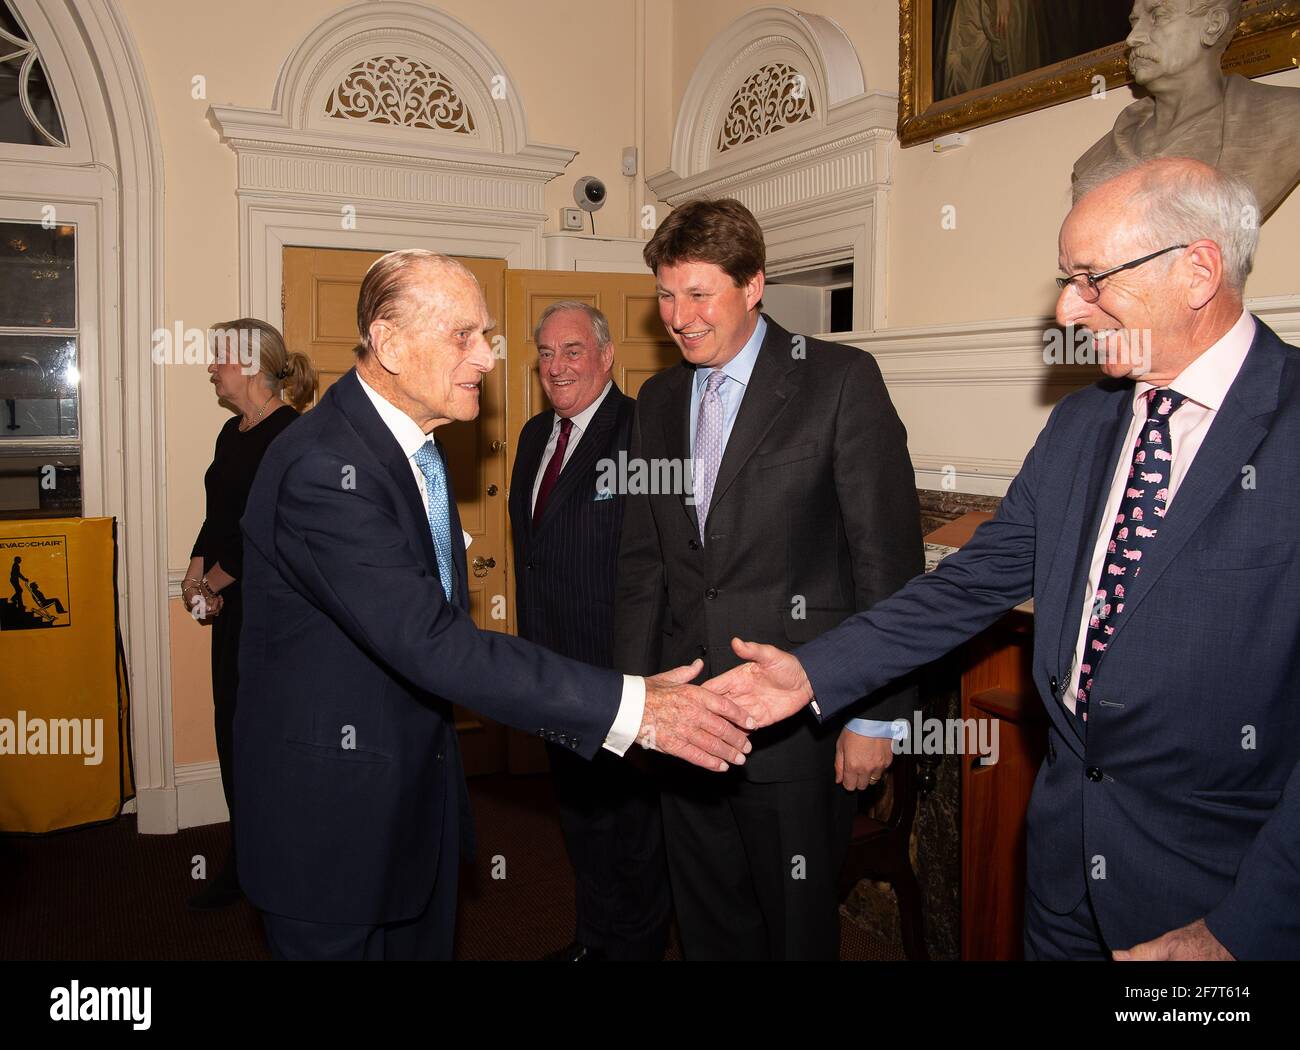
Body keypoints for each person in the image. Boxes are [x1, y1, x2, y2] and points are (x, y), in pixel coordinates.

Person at [709, 157, 1300, 961]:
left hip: (1220, 894)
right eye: (1066, 279)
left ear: (1198, 270)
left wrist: (1247, 927)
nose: (1065, 307)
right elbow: (967, 587)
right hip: (1062, 868)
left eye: (1091, 279)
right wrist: (814, 673)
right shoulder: (1082, 427)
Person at [234, 249, 753, 961]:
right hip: (336, 824)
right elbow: (433, 641)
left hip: (410, 801)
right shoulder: (326, 468)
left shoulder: (414, 446)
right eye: (463, 335)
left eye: (485, 335)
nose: (488, 355)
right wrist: (633, 707)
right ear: (388, 342)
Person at [614, 199, 923, 960]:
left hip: (796, 725)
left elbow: (887, 561)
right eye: (665, 294)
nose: (678, 316)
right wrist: (636, 697)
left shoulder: (840, 381)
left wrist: (875, 715)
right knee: (711, 926)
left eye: (698, 294)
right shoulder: (655, 401)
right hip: (685, 720)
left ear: (753, 284)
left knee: (794, 932)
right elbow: (642, 561)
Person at [508, 302, 670, 962]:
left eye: (572, 351)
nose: (557, 366)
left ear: (606, 357)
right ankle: (595, 941)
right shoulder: (531, 437)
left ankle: (636, 950)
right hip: (552, 675)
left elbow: (657, 565)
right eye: (546, 353)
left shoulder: (641, 434)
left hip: (618, 675)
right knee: (580, 820)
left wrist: (642, 679)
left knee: (632, 828)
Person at [184, 318, 317, 910]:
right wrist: (194, 570)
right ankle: (244, 862)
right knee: (232, 732)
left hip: (273, 615)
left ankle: (282, 865)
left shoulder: (293, 436)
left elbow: (268, 530)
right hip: (229, 610)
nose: (211, 367)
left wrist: (214, 582)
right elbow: (219, 516)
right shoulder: (230, 432)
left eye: (219, 358)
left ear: (253, 364)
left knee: (269, 741)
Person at [1074, 0, 1300, 220]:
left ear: (1213, 25)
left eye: (1158, 16)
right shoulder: (1098, 160)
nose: (1133, 38)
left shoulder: (1288, 118)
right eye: (1134, 22)